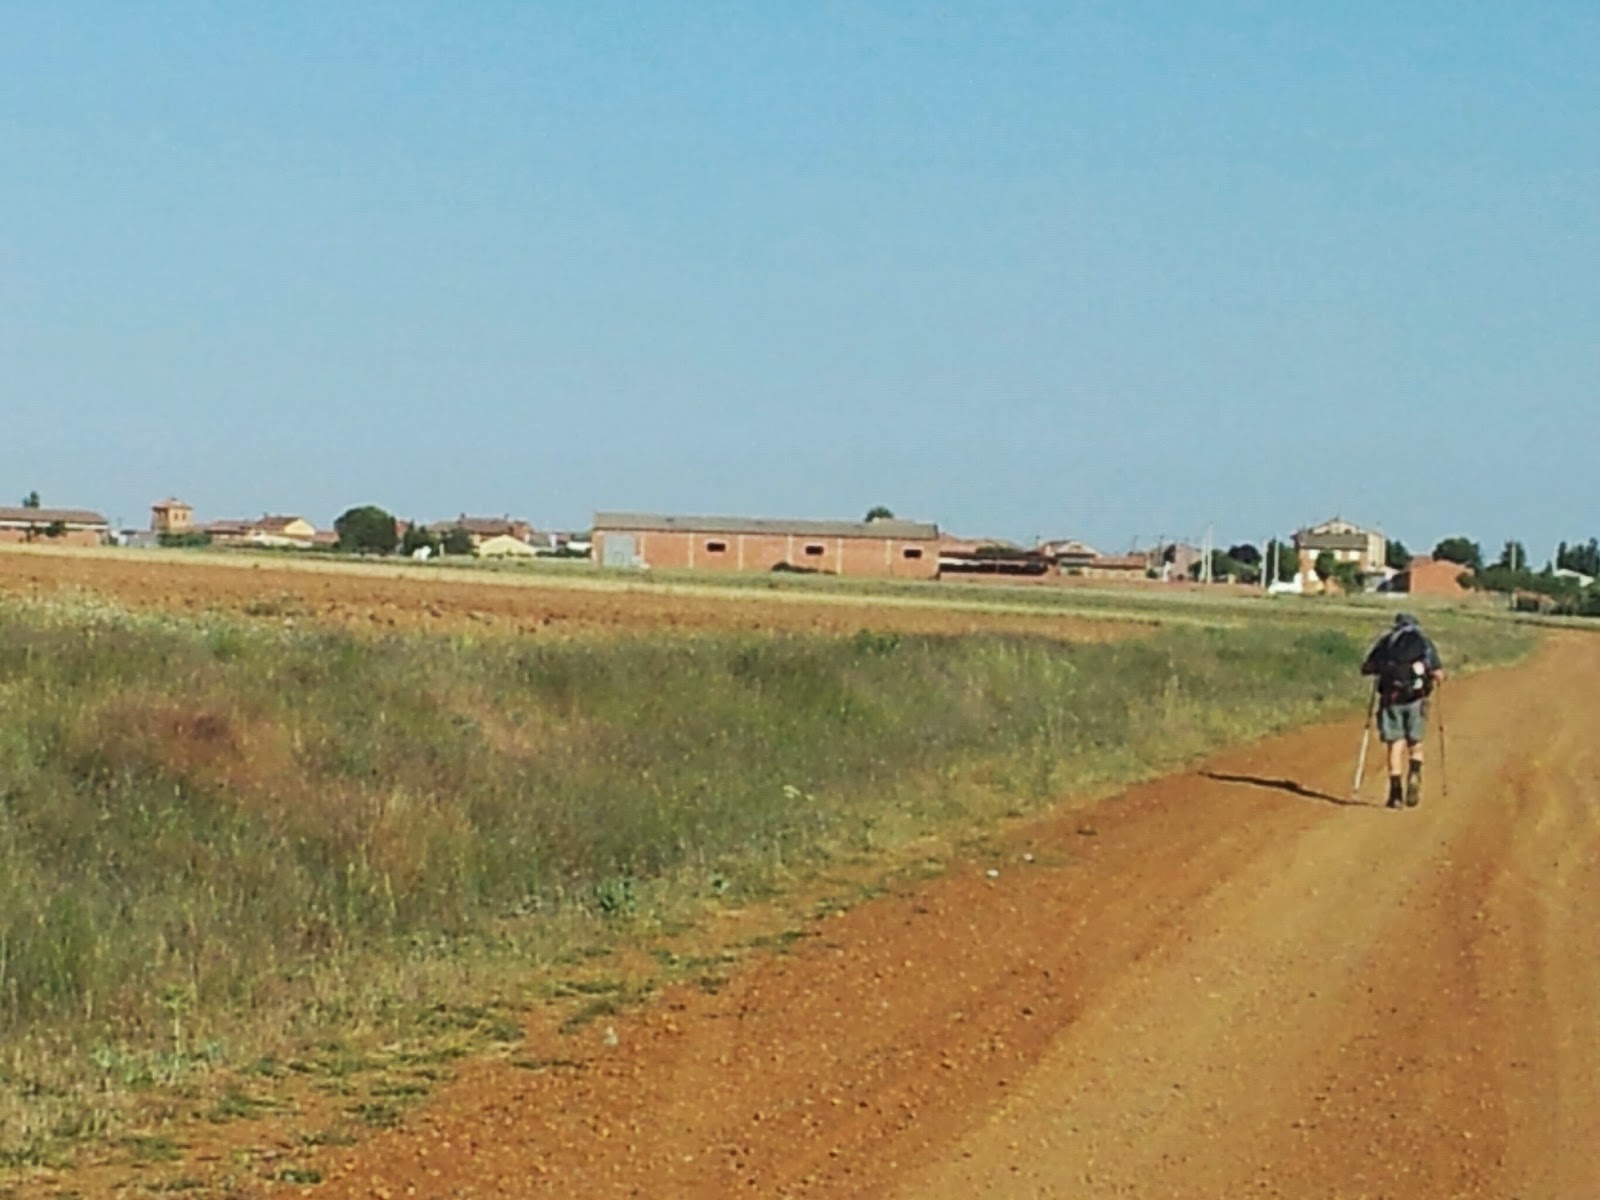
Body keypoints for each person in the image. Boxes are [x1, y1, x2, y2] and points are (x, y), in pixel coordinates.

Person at [1360, 612, 1445, 808]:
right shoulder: (1424, 642)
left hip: (1391, 700)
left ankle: (1395, 793)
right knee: (1415, 744)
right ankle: (1414, 773)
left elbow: (1367, 667)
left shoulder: (1387, 642)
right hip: (1417, 699)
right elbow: (1439, 673)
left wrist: (1381, 670)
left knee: (1395, 745)